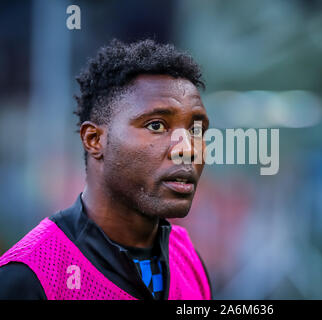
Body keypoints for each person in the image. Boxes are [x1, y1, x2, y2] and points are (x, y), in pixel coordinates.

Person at [0, 39, 212, 300]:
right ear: (94, 140)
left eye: (196, 130)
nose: (188, 148)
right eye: (156, 125)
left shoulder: (187, 258)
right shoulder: (32, 274)